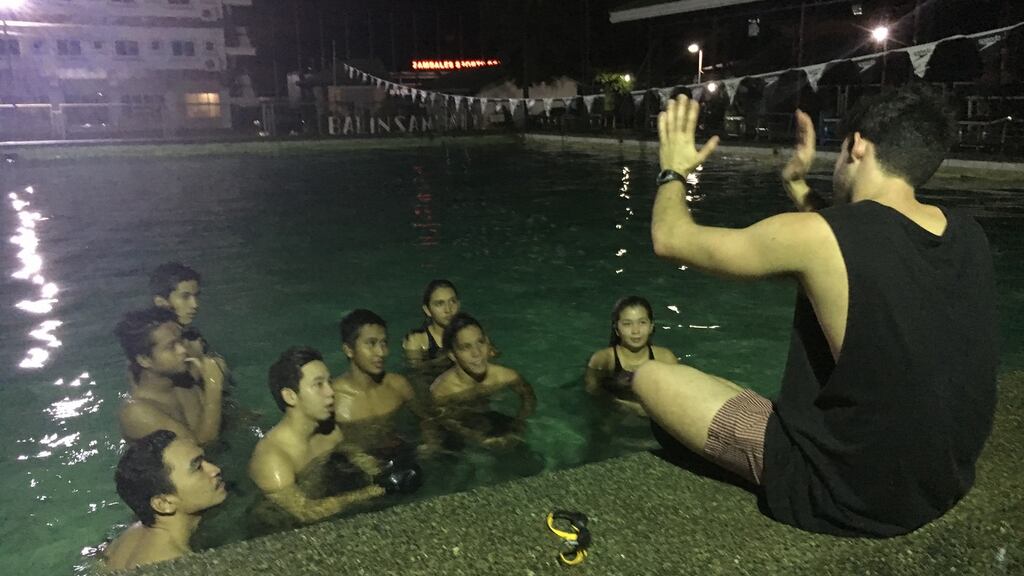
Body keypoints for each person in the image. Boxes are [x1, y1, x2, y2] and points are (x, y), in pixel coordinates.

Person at [633, 86, 997, 537]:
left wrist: (673, 169)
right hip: (943, 479)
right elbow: (861, 246)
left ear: (858, 145)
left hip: (850, 494)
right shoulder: (968, 234)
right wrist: (797, 185)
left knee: (651, 376)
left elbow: (670, 238)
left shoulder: (816, 237)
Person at [248, 346, 420, 525]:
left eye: (329, 382)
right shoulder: (273, 460)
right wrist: (376, 490)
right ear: (290, 396)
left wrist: (380, 471)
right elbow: (305, 512)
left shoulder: (329, 430)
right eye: (318, 385)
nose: (331, 392)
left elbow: (350, 452)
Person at [102, 430, 227, 570]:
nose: (215, 469)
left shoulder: (128, 536)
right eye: (197, 467)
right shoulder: (176, 565)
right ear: (164, 503)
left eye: (205, 460)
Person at [333, 309, 440, 456]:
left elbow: (427, 418)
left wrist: (430, 442)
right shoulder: (333, 399)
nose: (382, 352)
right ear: (349, 350)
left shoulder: (397, 385)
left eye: (383, 343)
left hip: (401, 453)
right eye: (371, 344)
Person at [114, 308, 225, 444]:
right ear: (144, 359)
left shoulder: (184, 376)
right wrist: (214, 386)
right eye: (171, 346)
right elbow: (199, 450)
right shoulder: (137, 413)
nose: (183, 350)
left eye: (181, 341)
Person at [430, 313, 536, 449]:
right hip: (464, 425)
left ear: (487, 342)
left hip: (486, 414)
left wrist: (520, 422)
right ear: (452, 355)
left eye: (480, 342)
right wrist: (476, 437)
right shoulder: (442, 391)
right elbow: (445, 421)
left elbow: (528, 397)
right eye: (466, 347)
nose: (477, 353)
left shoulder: (506, 376)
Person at [584, 296, 678, 414]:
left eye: (642, 322)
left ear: (651, 326)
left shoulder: (665, 358)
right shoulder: (604, 360)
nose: (636, 331)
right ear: (617, 329)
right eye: (627, 324)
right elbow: (593, 392)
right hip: (615, 414)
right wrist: (627, 406)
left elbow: (677, 394)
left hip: (654, 414)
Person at [149, 262, 231, 381]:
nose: (195, 305)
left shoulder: (193, 336)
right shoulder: (150, 346)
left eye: (196, 296)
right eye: (185, 297)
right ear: (160, 302)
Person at [403, 279, 461, 370]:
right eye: (439, 304)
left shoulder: (470, 334)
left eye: (452, 301)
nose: (448, 310)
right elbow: (416, 374)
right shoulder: (418, 340)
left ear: (459, 304)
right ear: (427, 310)